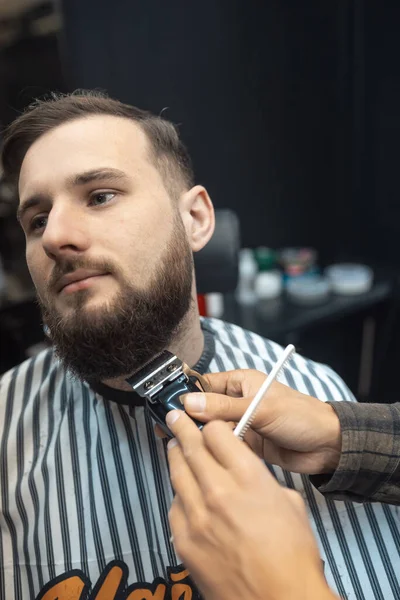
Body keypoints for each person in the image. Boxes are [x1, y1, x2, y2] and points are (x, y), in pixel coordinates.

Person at [0, 90, 397, 600]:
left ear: (196, 219)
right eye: (36, 220)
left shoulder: (317, 390)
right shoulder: (9, 435)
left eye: (100, 196)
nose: (54, 236)